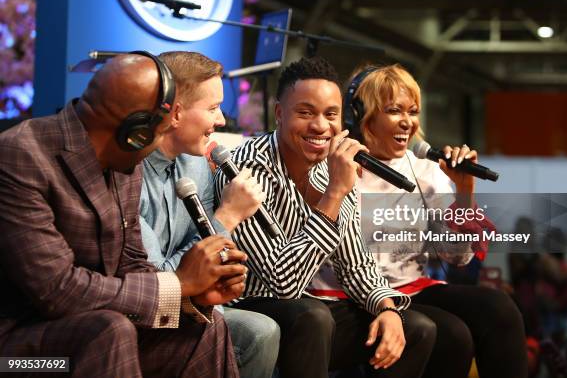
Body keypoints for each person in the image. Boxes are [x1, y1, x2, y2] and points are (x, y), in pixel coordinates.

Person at [0, 52, 248, 377]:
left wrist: (192, 295)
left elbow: (132, 262)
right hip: (19, 355)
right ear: (137, 132)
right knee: (109, 330)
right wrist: (178, 283)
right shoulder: (20, 155)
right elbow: (57, 289)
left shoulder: (123, 160)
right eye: (160, 132)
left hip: (93, 329)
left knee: (203, 325)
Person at [214, 56, 436, 378]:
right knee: (312, 316)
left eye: (330, 114)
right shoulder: (247, 170)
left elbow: (355, 264)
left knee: (416, 327)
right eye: (305, 113)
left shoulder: (329, 168)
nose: (320, 126)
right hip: (250, 304)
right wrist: (334, 195)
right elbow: (282, 284)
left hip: (305, 310)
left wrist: (386, 308)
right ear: (279, 113)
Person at [316, 64, 528, 378]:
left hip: (410, 288)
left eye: (413, 111)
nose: (407, 122)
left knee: (498, 307)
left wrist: (464, 191)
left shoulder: (426, 170)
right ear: (358, 115)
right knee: (453, 334)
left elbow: (457, 257)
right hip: (350, 295)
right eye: (393, 110)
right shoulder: (333, 165)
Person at [139, 51, 280, 378]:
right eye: (213, 108)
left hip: (196, 301)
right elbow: (161, 277)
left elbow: (199, 246)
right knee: (259, 332)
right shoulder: (129, 173)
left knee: (264, 330)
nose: (221, 120)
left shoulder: (195, 163)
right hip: (147, 306)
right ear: (175, 112)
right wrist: (227, 217)